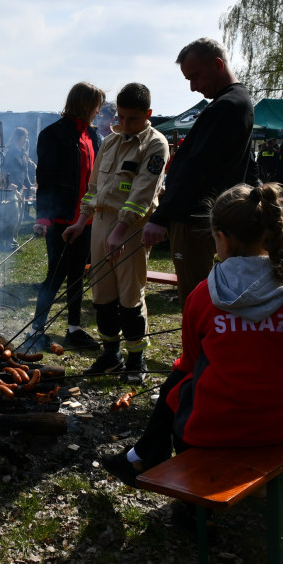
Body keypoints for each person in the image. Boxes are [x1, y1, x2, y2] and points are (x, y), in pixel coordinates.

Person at [103, 183, 283, 485]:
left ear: (220, 237)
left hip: (206, 432)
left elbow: (189, 366)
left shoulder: (203, 295)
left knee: (179, 383)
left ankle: (151, 466)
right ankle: (146, 460)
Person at [63, 83, 170, 383]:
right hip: (101, 224)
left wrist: (120, 231)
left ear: (148, 114)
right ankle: (111, 355)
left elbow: (143, 192)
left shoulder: (155, 144)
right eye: (120, 117)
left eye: (132, 119)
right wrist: (80, 221)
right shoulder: (110, 141)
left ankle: (136, 360)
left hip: (131, 228)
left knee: (130, 297)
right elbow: (94, 187)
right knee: (103, 296)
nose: (124, 124)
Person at [141, 38, 258, 308]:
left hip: (193, 219)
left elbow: (194, 166)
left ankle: (197, 350)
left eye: (195, 76)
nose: (193, 87)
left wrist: (161, 217)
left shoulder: (226, 106)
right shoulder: (238, 102)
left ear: (217, 64)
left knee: (194, 296)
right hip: (209, 215)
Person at [25, 82, 105, 352]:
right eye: (96, 106)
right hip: (61, 218)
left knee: (77, 275)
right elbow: (45, 178)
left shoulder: (93, 136)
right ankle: (36, 330)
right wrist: (43, 217)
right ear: (85, 104)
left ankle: (74, 329)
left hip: (87, 219)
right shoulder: (54, 134)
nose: (98, 111)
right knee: (55, 275)